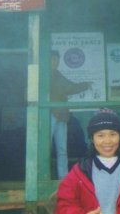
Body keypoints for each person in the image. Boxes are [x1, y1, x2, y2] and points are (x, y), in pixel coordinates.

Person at [50, 50, 92, 179]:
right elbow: (69, 88)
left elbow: (69, 87)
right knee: (44, 148)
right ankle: (41, 177)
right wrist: (86, 85)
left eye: (57, 60)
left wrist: (85, 85)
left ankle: (63, 178)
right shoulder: (43, 75)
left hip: (61, 115)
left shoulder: (57, 74)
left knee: (62, 149)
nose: (55, 62)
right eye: (52, 59)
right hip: (48, 115)